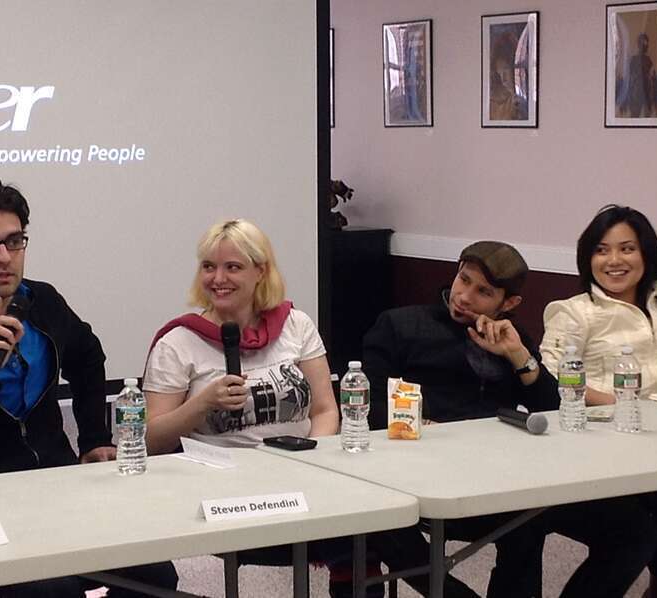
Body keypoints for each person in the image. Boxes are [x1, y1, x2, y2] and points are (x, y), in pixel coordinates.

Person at [143, 219, 475, 598]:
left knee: (381, 518)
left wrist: (315, 463)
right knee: (365, 534)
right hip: (228, 493)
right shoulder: (178, 343)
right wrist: (201, 404)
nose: (218, 278)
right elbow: (152, 441)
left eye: (232, 267)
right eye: (208, 267)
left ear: (260, 271)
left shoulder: (294, 324)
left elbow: (324, 410)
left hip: (305, 475)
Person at [0, 176, 177, 598]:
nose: (4, 257)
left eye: (15, 241)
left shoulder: (42, 303)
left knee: (155, 574)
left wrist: (94, 438)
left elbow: (88, 357)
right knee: (50, 589)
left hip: (55, 493)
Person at [363, 240, 657, 597]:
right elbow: (371, 404)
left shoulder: (510, 338)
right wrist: (421, 425)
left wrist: (518, 356)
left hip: (510, 476)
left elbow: (553, 408)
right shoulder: (401, 325)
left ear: (509, 303)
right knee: (519, 521)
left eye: (483, 291)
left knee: (635, 530)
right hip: (428, 477)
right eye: (463, 279)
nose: (465, 296)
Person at [541, 205, 657, 597]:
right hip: (603, 445)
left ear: (646, 254)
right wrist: (622, 404)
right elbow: (553, 378)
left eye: (627, 249)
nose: (614, 260)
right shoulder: (575, 313)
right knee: (638, 531)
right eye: (601, 250)